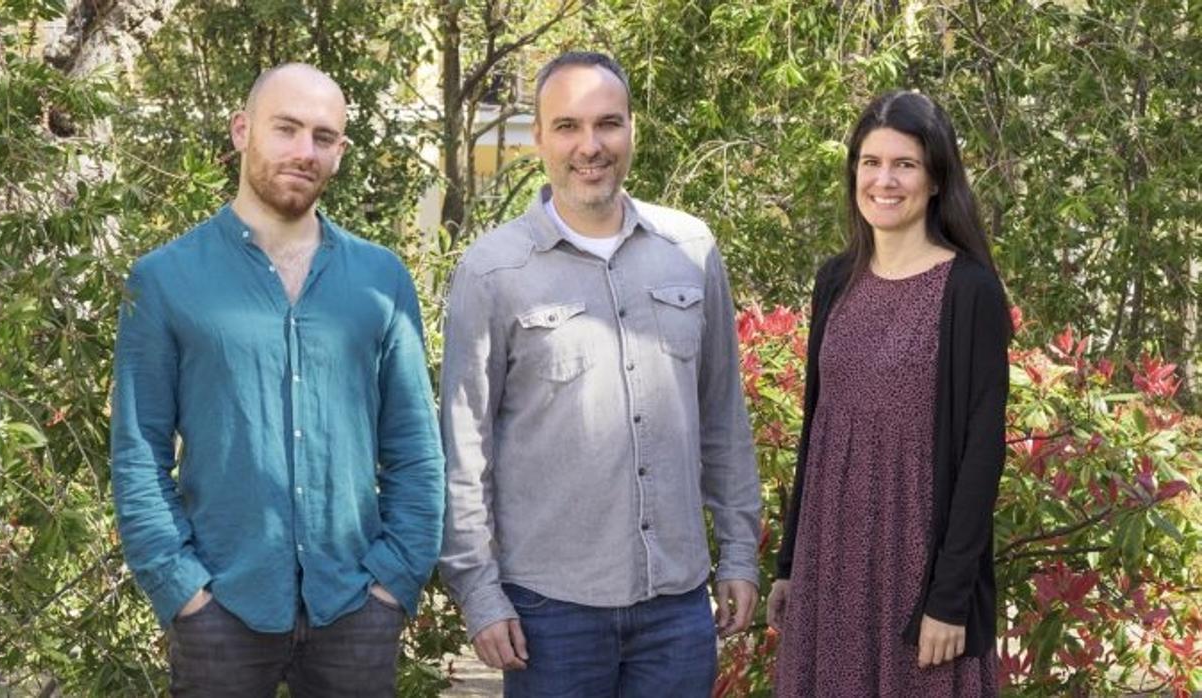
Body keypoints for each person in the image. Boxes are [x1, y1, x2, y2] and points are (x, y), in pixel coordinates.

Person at [110, 63, 444, 697]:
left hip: (355, 609)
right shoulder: (163, 279)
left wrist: (393, 581)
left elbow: (415, 451)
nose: (303, 151)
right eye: (285, 128)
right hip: (221, 613)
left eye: (323, 137)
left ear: (340, 153)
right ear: (242, 131)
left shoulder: (381, 280)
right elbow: (137, 452)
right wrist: (181, 588)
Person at [438, 51, 761, 696]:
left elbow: (723, 416)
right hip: (548, 614)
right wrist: (479, 591)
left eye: (608, 123)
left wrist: (741, 552)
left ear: (632, 130)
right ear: (539, 138)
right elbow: (464, 445)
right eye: (567, 126)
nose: (590, 146)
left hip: (676, 607)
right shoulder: (492, 271)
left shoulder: (690, 252)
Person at [767, 90, 1010, 697]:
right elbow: (816, 430)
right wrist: (791, 564)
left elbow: (983, 453)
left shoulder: (970, 290)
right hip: (831, 564)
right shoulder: (834, 281)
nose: (884, 180)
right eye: (870, 163)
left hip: (917, 570)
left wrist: (950, 599)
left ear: (935, 180)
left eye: (904, 164)